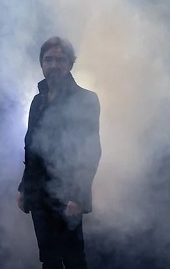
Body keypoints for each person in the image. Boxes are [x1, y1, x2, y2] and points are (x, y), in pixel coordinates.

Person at [16, 36, 102, 269]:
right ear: (41, 64)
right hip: (38, 194)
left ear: (70, 64)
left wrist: (78, 196)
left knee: (74, 259)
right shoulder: (37, 101)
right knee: (49, 258)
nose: (54, 65)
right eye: (48, 59)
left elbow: (91, 151)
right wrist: (24, 188)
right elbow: (31, 148)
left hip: (68, 195)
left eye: (60, 60)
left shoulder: (86, 99)